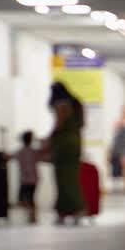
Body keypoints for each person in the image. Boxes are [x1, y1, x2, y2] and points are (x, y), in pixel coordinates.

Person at [44, 82, 85, 225]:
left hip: (63, 146)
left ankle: (65, 211)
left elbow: (59, 123)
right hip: (75, 144)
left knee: (62, 181)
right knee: (72, 179)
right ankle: (77, 210)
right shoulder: (76, 104)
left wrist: (49, 140)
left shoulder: (61, 103)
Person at [10, 131, 40, 224]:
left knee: (25, 198)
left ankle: (32, 215)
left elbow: (10, 156)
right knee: (30, 198)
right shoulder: (34, 151)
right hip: (33, 179)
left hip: (25, 179)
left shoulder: (20, 152)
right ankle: (32, 215)